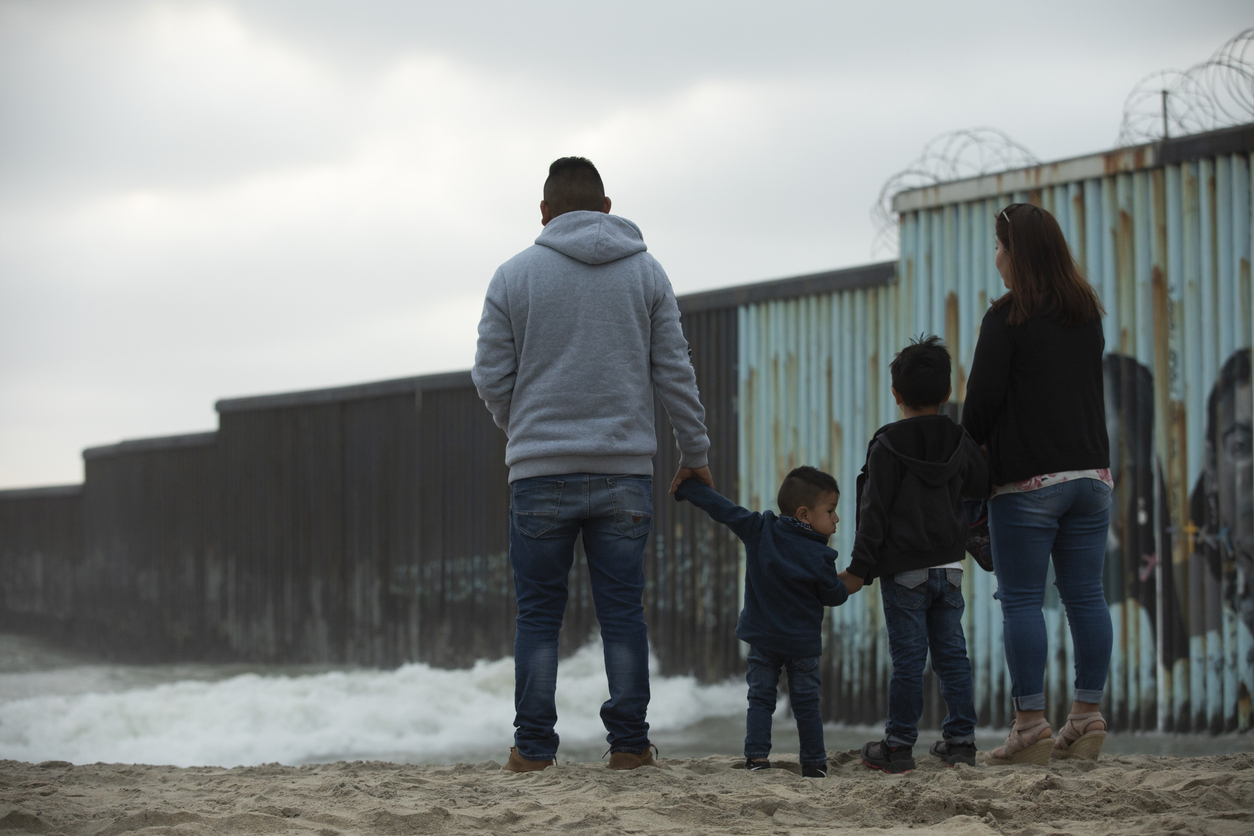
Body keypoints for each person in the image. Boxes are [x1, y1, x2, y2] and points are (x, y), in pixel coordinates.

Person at [473, 157, 713, 772]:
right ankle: (630, 747)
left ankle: (533, 751)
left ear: (545, 214)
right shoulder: (647, 273)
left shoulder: (512, 276)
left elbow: (490, 377)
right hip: (624, 474)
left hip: (538, 474)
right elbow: (675, 375)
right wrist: (696, 454)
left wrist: (524, 431)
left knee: (538, 616)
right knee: (622, 614)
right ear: (607, 208)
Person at [961, 202, 1113, 765]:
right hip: (1092, 478)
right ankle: (1087, 716)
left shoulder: (1007, 319)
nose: (995, 257)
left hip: (1028, 483)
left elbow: (978, 412)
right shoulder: (1086, 312)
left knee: (1023, 600)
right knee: (1086, 596)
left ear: (1017, 252)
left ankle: (1029, 726)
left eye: (999, 246)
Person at [838, 335, 990, 773]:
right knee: (952, 655)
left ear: (896, 394)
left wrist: (858, 571)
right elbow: (981, 484)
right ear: (946, 394)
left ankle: (899, 745)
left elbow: (874, 513)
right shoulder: (959, 440)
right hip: (949, 567)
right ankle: (961, 741)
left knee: (909, 659)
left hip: (904, 573)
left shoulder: (887, 445)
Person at [675, 466, 848, 778]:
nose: (836, 519)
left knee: (759, 699)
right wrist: (850, 581)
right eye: (832, 511)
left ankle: (756, 759)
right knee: (806, 704)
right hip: (802, 646)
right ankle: (814, 763)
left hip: (763, 639)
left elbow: (723, 510)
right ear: (805, 515)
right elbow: (833, 594)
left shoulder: (760, 529)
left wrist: (689, 488)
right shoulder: (819, 556)